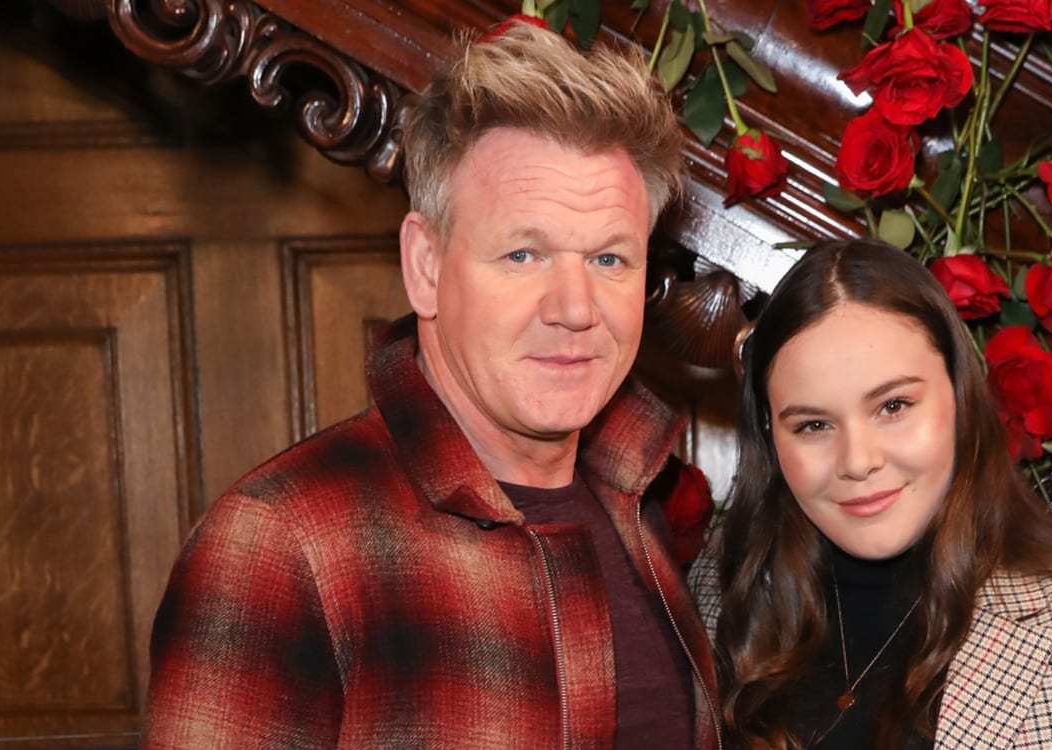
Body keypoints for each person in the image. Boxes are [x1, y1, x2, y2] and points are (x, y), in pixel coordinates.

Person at [142, 22, 721, 749]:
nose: (575, 309)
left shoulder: (643, 512)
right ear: (425, 264)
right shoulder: (283, 545)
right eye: (522, 253)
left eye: (610, 259)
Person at [691, 238, 1052, 749]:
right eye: (812, 425)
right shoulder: (718, 605)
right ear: (770, 434)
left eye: (893, 406)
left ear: (960, 397)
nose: (858, 461)